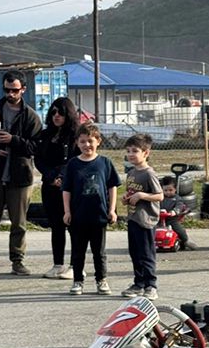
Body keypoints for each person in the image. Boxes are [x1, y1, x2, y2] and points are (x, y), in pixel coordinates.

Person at [61, 123, 120, 296]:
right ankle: (78, 281)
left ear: (98, 141)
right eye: (83, 141)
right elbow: (66, 189)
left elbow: (112, 187)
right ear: (77, 143)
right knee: (78, 252)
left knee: (99, 252)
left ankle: (101, 280)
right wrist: (67, 211)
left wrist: (112, 209)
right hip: (78, 217)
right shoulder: (73, 164)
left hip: (99, 215)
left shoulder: (105, 163)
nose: (87, 145)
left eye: (90, 141)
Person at [0, 70, 42, 276]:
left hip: (20, 177)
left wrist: (12, 141)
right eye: (7, 89)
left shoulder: (30, 116)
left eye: (14, 90)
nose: (10, 94)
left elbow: (36, 147)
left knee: (19, 223)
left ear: (23, 89)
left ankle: (17, 260)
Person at [34, 97, 81, 279]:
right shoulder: (46, 135)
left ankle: (75, 265)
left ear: (68, 114)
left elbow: (75, 158)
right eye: (53, 112)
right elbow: (39, 159)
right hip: (49, 185)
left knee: (73, 226)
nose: (56, 116)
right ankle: (58, 263)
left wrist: (62, 176)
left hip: (70, 187)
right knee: (56, 225)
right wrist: (50, 176)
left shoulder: (76, 135)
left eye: (60, 112)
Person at [120, 134, 164, 301]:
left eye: (135, 151)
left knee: (146, 254)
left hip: (146, 220)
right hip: (133, 218)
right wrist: (126, 198)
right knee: (135, 253)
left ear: (146, 153)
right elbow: (131, 193)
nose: (131, 154)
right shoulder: (131, 173)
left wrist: (142, 195)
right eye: (128, 151)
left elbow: (159, 196)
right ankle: (138, 283)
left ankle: (151, 285)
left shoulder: (149, 173)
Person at [159, 175, 197, 251]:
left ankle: (185, 240)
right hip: (159, 219)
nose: (168, 192)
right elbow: (155, 205)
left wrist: (175, 211)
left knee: (178, 229)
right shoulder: (160, 198)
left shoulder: (177, 198)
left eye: (170, 190)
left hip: (172, 219)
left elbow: (180, 206)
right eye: (165, 190)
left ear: (175, 189)